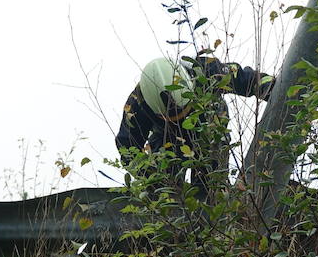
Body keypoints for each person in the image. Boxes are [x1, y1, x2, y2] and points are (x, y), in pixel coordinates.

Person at [115, 55, 274, 195]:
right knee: (163, 188)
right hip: (166, 138)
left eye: (182, 113)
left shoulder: (207, 70)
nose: (179, 121)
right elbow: (128, 147)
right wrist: (150, 176)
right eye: (172, 118)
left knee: (211, 185)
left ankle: (212, 198)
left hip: (208, 127)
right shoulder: (137, 104)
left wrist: (274, 89)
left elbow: (249, 79)